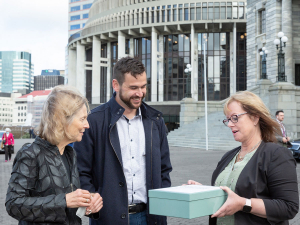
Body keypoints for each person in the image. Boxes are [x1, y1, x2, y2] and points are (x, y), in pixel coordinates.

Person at [74, 57, 172, 225]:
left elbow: (164, 170)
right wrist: (92, 202)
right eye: (133, 88)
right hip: (108, 218)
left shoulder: (156, 121)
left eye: (143, 87)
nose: (140, 93)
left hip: (151, 218)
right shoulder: (93, 121)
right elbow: (80, 171)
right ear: (116, 85)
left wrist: (162, 205)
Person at [186, 91, 299, 225]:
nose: (229, 124)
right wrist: (205, 192)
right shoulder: (228, 156)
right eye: (227, 119)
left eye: (235, 118)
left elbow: (288, 207)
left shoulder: (276, 154)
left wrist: (243, 204)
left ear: (255, 117)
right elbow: (228, 195)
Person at [6, 85, 103, 225]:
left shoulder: (70, 153)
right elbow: (13, 204)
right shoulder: (31, 154)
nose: (87, 125)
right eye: (82, 119)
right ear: (63, 120)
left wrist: (87, 203)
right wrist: (65, 200)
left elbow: (69, 203)